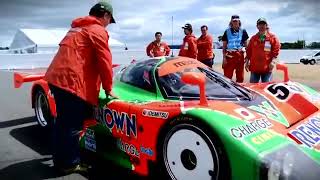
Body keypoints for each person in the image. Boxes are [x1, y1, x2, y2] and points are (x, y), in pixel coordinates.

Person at [44, 1, 115, 174]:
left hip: (56, 78)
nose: (108, 25)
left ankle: (60, 159)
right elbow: (105, 62)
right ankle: (69, 164)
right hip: (70, 82)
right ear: (105, 16)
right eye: (109, 20)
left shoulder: (76, 28)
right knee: (71, 125)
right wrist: (108, 88)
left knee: (62, 122)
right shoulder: (98, 30)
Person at [245, 18, 281, 83]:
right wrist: (247, 61)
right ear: (257, 26)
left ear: (266, 25)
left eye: (263, 24)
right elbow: (249, 51)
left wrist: (273, 62)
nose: (261, 26)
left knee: (267, 87)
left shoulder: (273, 37)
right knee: (253, 88)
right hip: (255, 68)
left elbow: (276, 51)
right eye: (260, 24)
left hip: (267, 68)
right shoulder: (253, 38)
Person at [222, 15, 249, 83]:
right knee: (227, 77)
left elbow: (247, 45)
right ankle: (227, 92)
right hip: (229, 56)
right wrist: (224, 58)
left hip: (240, 55)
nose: (235, 22)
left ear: (239, 21)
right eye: (233, 21)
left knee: (240, 77)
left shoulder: (243, 31)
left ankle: (239, 92)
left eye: (236, 21)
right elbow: (224, 46)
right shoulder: (226, 31)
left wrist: (248, 57)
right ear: (231, 22)